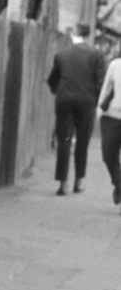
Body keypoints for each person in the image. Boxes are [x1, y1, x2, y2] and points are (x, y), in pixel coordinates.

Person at [48, 25, 108, 195]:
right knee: (82, 142)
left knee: (65, 141)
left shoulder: (61, 55)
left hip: (65, 102)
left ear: (74, 34)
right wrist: (95, 102)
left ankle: (63, 183)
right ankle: (79, 181)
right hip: (86, 103)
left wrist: (58, 91)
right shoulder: (96, 55)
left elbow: (53, 80)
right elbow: (100, 82)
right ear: (88, 35)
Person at [98, 42, 121, 209]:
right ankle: (118, 183)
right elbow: (106, 88)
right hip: (111, 116)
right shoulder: (115, 64)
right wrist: (99, 110)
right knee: (108, 155)